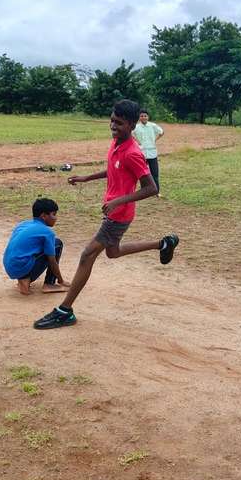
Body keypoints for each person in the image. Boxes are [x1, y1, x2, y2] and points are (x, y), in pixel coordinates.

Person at [33, 99, 179, 330]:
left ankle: (65, 311)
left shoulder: (133, 153)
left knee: (87, 255)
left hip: (119, 214)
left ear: (131, 125)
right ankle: (163, 244)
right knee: (113, 252)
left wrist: (117, 202)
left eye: (119, 123)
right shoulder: (116, 144)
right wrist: (86, 178)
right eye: (112, 120)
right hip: (114, 210)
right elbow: (113, 169)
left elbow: (152, 188)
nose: (113, 126)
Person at [3, 198, 71, 295]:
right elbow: (52, 261)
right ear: (43, 216)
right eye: (54, 214)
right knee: (57, 244)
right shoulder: (47, 232)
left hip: (10, 267)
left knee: (37, 248)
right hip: (21, 267)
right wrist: (61, 280)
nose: (56, 218)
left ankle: (23, 280)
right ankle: (49, 284)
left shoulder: (23, 224)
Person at [132, 109, 164, 196]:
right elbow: (131, 134)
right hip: (141, 153)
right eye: (141, 116)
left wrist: (155, 140)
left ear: (148, 117)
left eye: (145, 116)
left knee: (154, 173)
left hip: (152, 152)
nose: (143, 117)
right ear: (139, 117)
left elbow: (161, 132)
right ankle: (144, 190)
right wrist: (137, 141)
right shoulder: (136, 127)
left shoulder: (152, 125)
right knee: (142, 174)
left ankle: (156, 191)